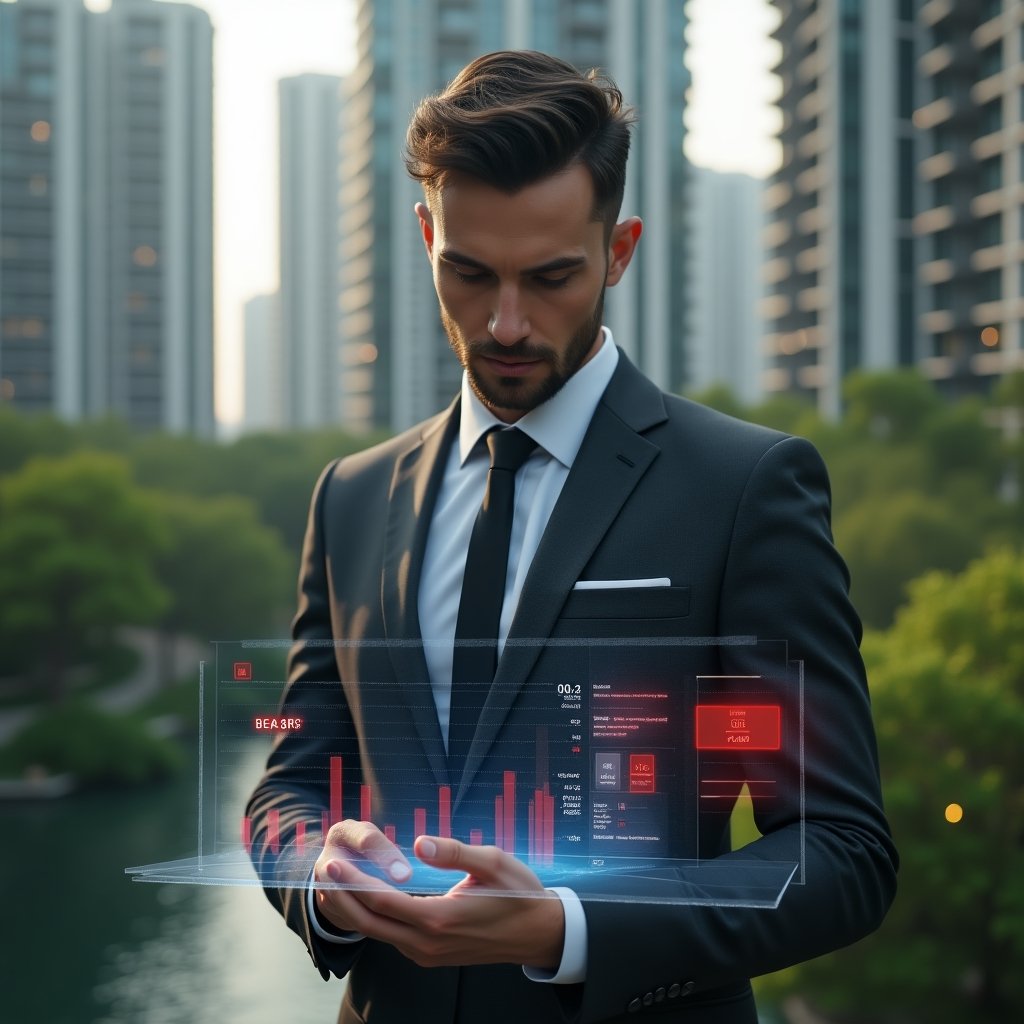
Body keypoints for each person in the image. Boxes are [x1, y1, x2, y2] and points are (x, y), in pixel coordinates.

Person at [246, 50, 897, 1024]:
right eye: (468, 274)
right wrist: (319, 880)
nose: (505, 323)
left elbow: (838, 850)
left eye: (550, 277)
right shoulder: (351, 495)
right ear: (427, 237)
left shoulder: (744, 488)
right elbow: (292, 780)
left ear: (619, 250)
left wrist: (569, 924)